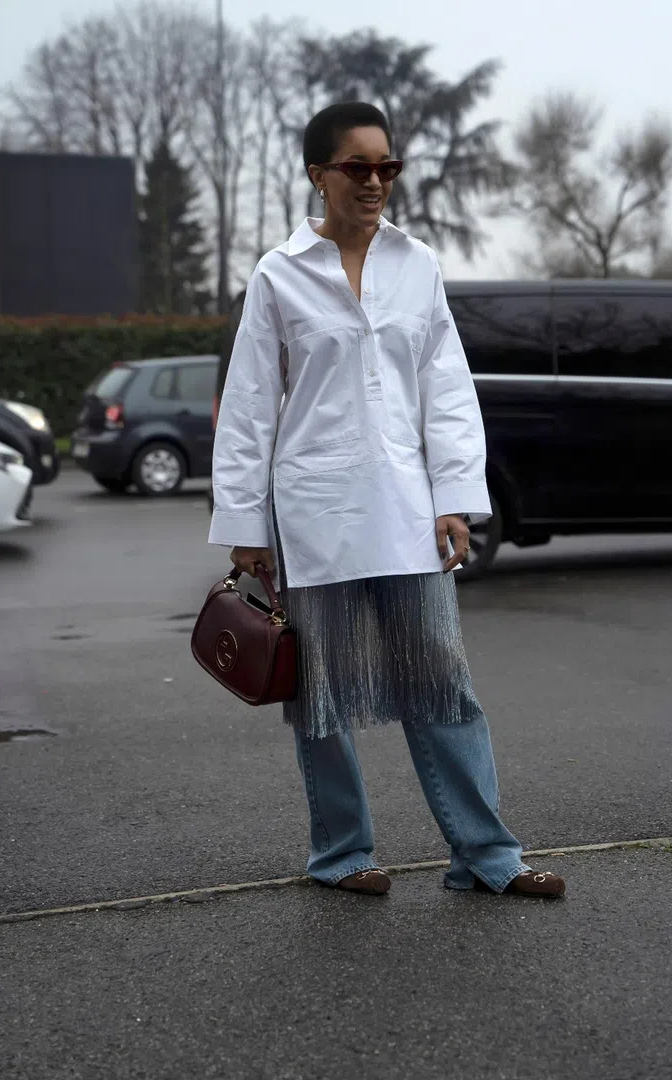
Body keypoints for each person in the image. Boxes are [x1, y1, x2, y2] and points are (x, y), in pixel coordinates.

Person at [209, 102, 565, 900]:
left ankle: (486, 856)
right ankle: (341, 855)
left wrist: (455, 498)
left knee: (444, 684)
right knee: (321, 695)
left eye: (387, 168)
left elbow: (445, 389)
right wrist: (243, 526)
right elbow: (249, 406)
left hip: (407, 510)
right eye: (357, 168)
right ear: (318, 175)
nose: (375, 183)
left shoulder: (417, 265)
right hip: (313, 516)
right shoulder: (279, 273)